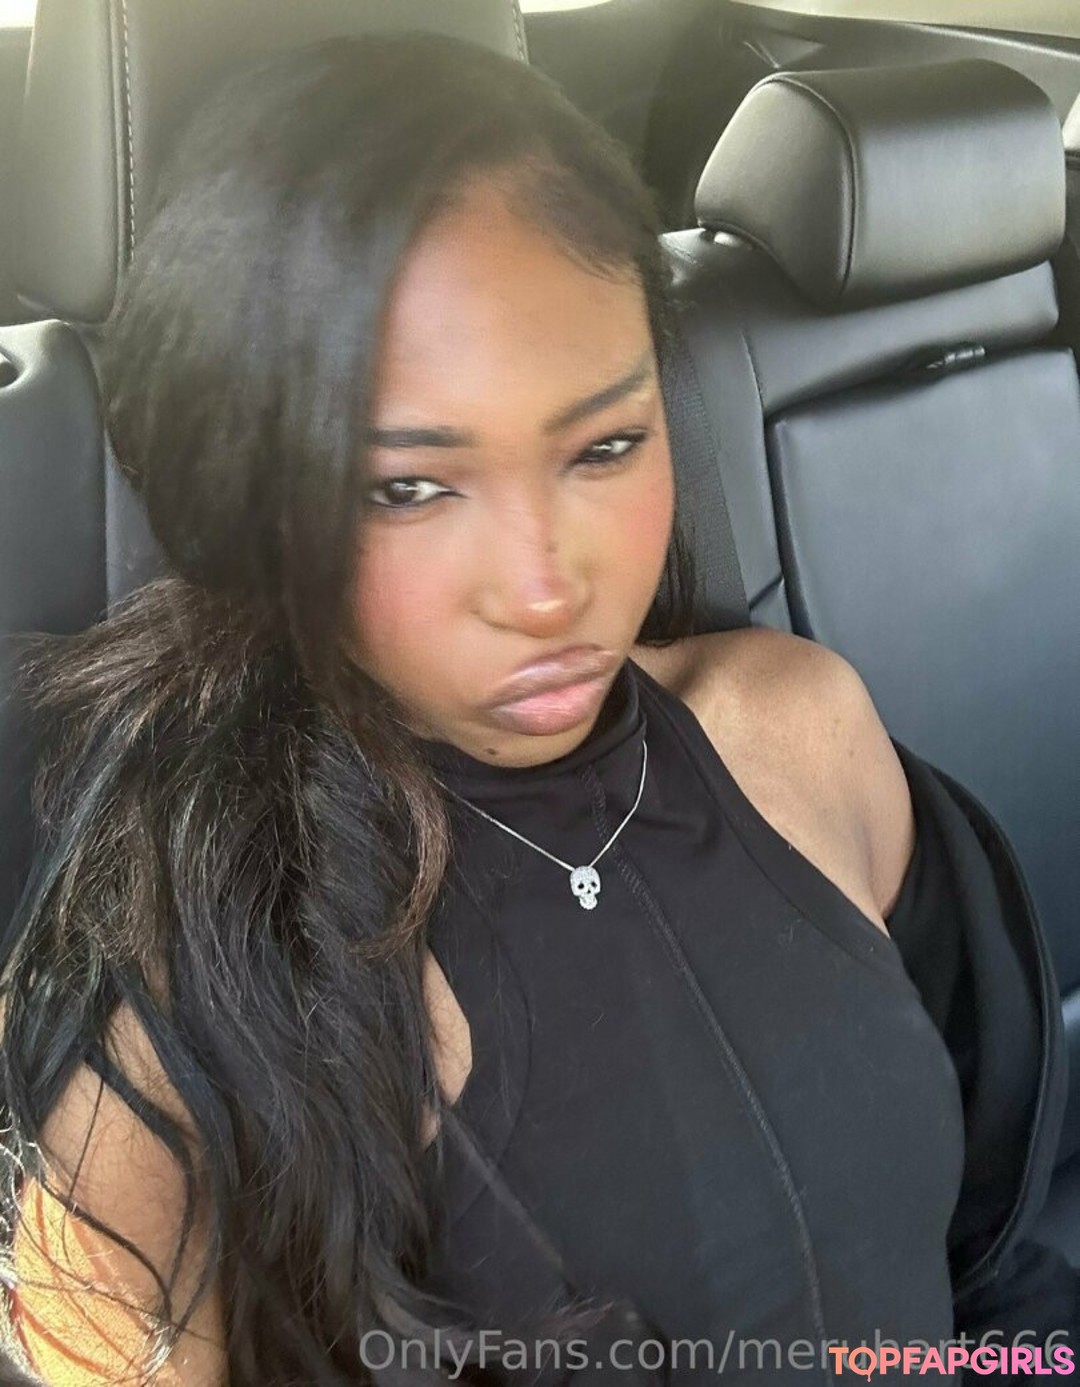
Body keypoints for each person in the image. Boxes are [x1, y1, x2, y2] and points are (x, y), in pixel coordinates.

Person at [0, 31, 1074, 1387]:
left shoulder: (803, 731)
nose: (548, 588)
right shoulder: (186, 967)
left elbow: (989, 1260)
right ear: (254, 497)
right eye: (409, 488)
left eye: (606, 446)